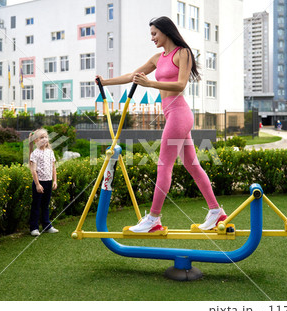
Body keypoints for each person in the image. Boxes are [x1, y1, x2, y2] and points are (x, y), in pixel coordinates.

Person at [95, 16, 226, 232]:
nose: (152, 38)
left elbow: (181, 84)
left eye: (155, 33)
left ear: (166, 31)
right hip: (172, 114)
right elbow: (132, 75)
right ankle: (216, 212)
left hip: (179, 113)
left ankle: (154, 218)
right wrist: (105, 83)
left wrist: (150, 83)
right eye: (151, 34)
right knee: (192, 165)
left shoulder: (182, 53)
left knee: (163, 165)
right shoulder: (157, 58)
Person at [28, 128, 59, 236]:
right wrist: (37, 184)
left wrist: (55, 180)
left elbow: (53, 167)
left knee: (45, 205)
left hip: (48, 182)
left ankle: (46, 225)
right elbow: (34, 171)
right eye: (41, 137)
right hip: (39, 183)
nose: (44, 139)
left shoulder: (50, 152)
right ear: (36, 140)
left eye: (46, 137)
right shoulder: (35, 154)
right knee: (36, 205)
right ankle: (34, 228)